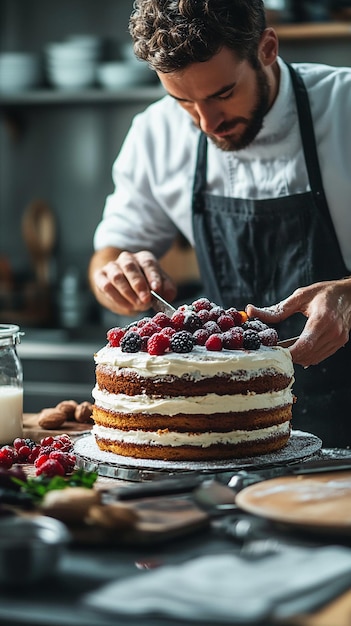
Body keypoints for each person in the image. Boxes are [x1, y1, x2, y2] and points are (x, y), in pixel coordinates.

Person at [89, 0, 351, 447]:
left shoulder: (343, 106)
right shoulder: (156, 133)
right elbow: (109, 255)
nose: (207, 122)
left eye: (223, 94)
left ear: (267, 48)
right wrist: (115, 274)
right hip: (218, 443)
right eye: (183, 101)